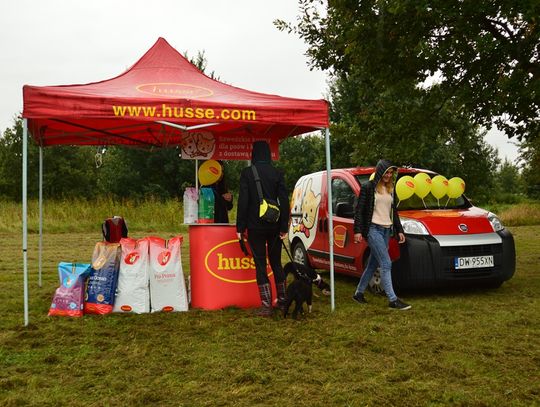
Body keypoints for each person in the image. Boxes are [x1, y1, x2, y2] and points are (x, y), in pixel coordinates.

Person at [236, 141, 289, 316]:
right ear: (268, 154)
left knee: (260, 264)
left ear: (253, 154)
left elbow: (243, 201)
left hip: (254, 226)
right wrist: (284, 226)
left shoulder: (247, 173)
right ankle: (283, 302)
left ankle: (266, 306)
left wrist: (240, 226)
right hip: (274, 226)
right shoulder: (277, 173)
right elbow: (284, 201)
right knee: (276, 263)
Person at [352, 159, 411, 310]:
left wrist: (399, 231)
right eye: (386, 172)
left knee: (373, 264)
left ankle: (358, 293)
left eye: (391, 173)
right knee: (386, 263)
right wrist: (358, 231)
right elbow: (359, 210)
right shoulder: (368, 187)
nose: (389, 175)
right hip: (372, 229)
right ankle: (393, 299)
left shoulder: (391, 188)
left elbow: (394, 212)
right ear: (380, 172)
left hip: (386, 230)